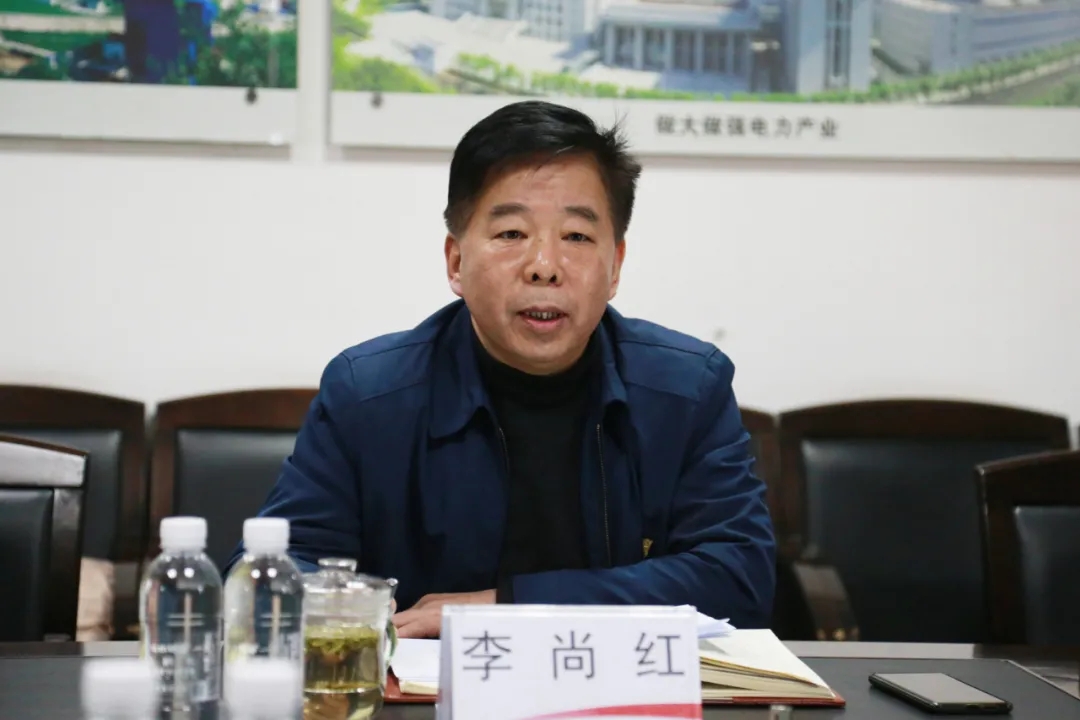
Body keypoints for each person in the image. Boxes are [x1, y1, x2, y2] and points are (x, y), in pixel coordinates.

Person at [227, 100, 775, 638]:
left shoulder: (686, 390)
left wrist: (508, 607)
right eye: (511, 234)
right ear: (456, 262)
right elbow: (272, 573)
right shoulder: (370, 395)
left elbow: (739, 577)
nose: (544, 267)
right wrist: (358, 613)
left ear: (615, 267)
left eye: (577, 236)